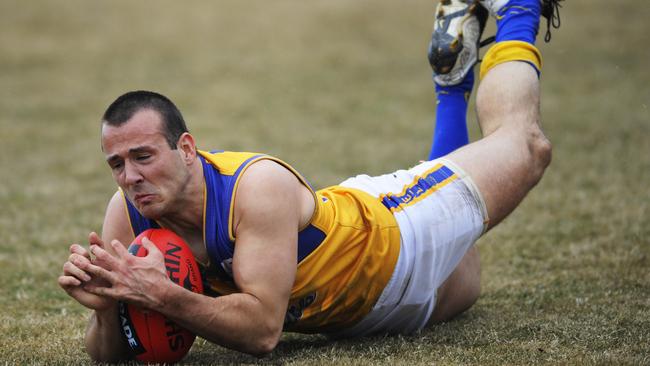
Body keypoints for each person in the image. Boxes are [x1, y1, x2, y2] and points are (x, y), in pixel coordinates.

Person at [58, 0, 561, 361]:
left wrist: (160, 295)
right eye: (117, 164)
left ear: (186, 149)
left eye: (143, 156)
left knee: (526, 145)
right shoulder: (127, 213)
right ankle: (451, 86)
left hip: (398, 237)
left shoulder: (254, 188)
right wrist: (108, 309)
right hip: (376, 316)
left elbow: (261, 334)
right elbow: (112, 353)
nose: (130, 176)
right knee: (470, 269)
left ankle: (516, 13)